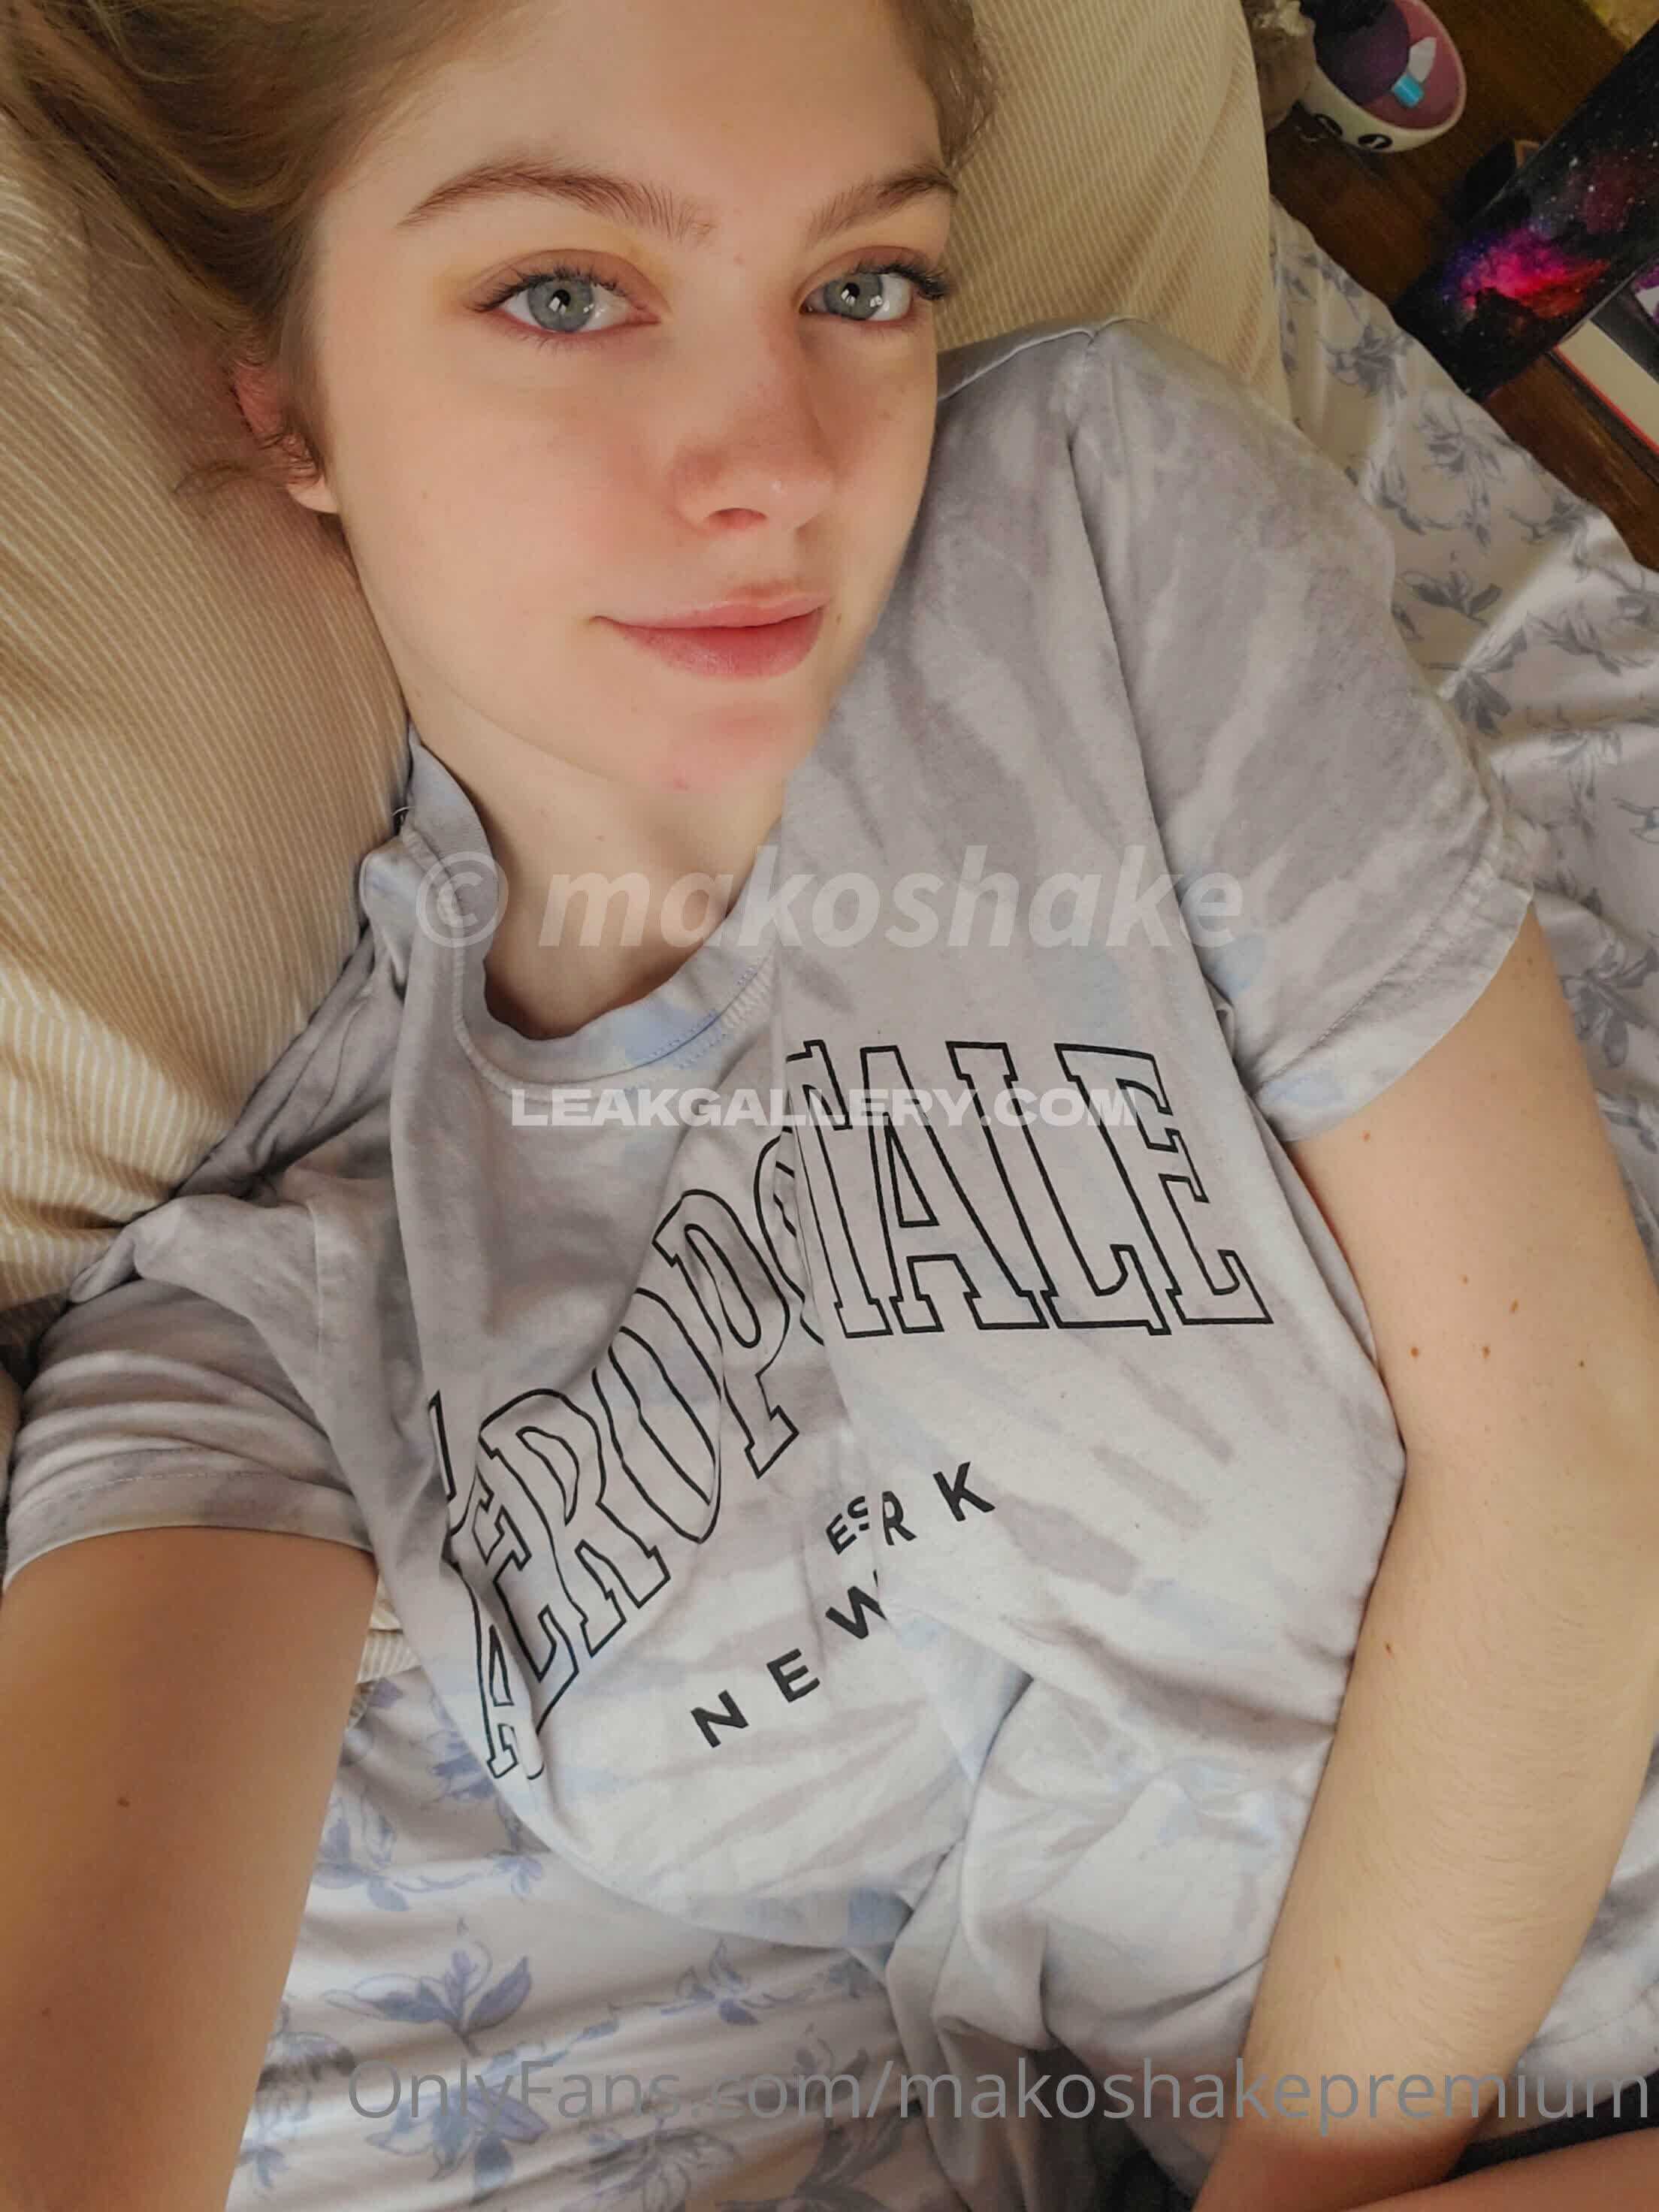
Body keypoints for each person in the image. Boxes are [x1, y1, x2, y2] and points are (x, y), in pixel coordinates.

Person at [2, 5, 1659, 2211]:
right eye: (565, 292)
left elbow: (1577, 1454)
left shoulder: (1085, 523)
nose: (778, 462)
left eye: (862, 283)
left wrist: (1293, 2180)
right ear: (283, 397)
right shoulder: (288, 1287)